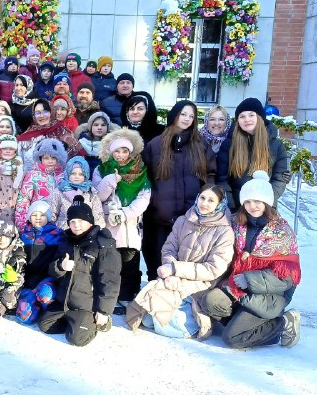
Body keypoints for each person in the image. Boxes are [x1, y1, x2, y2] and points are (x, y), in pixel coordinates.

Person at [197, 171, 301, 348]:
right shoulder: (238, 224)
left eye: (258, 201)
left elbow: (287, 278)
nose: (253, 206)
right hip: (240, 288)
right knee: (210, 301)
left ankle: (283, 323)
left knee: (232, 338)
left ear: (267, 202)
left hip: (270, 294)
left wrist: (249, 280)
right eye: (248, 201)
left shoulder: (282, 232)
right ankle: (248, 325)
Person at [126, 185, 234, 338]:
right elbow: (169, 248)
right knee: (147, 318)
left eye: (211, 200)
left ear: (219, 204)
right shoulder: (183, 220)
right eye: (202, 198)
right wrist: (170, 271)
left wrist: (176, 269)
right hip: (174, 276)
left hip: (202, 282)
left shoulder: (225, 231)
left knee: (168, 324)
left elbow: (214, 268)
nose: (204, 203)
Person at [143, 100, 215, 284]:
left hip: (190, 216)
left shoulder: (201, 145)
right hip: (159, 216)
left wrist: (207, 199)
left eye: (191, 116)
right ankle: (154, 292)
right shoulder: (155, 144)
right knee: (156, 259)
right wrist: (153, 201)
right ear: (174, 115)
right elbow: (145, 176)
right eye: (183, 114)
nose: (187, 119)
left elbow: (210, 174)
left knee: (185, 261)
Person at [36, 196, 121, 346]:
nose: (76, 225)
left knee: (77, 339)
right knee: (44, 325)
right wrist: (61, 266)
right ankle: (74, 322)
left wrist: (103, 310)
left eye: (81, 221)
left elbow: (110, 280)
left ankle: (100, 322)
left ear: (90, 221)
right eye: (72, 221)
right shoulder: (66, 240)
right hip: (64, 302)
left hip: (86, 305)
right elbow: (52, 270)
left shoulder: (102, 244)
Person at [93, 128, 151, 311]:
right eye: (116, 151)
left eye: (124, 151)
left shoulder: (140, 171)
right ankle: (108, 296)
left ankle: (127, 295)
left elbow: (144, 197)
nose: (120, 155)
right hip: (109, 225)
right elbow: (97, 196)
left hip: (129, 226)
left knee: (129, 263)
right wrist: (110, 180)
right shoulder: (101, 169)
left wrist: (125, 213)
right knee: (109, 264)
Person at [216, 97, 289, 212]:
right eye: (242, 116)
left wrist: (266, 202)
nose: (247, 119)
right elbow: (222, 179)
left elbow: (279, 179)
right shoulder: (229, 144)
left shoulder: (276, 146)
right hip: (236, 207)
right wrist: (232, 206)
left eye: (251, 115)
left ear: (260, 117)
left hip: (264, 209)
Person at [14, 137, 68, 229]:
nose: (50, 161)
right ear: (40, 159)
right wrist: (22, 222)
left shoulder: (64, 176)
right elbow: (24, 198)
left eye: (53, 158)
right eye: (46, 158)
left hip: (59, 223)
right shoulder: (33, 175)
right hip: (37, 221)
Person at [17, 99, 84, 168]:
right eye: (38, 113)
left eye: (45, 112)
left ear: (52, 112)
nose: (41, 116)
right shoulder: (28, 134)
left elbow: (78, 157)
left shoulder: (63, 133)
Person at [46, 156, 106, 229]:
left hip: (86, 232)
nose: (76, 177)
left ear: (86, 175)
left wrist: (98, 230)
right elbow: (51, 215)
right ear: (68, 173)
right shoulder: (58, 192)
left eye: (81, 174)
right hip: (63, 231)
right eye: (73, 173)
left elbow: (98, 216)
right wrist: (52, 231)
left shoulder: (91, 192)